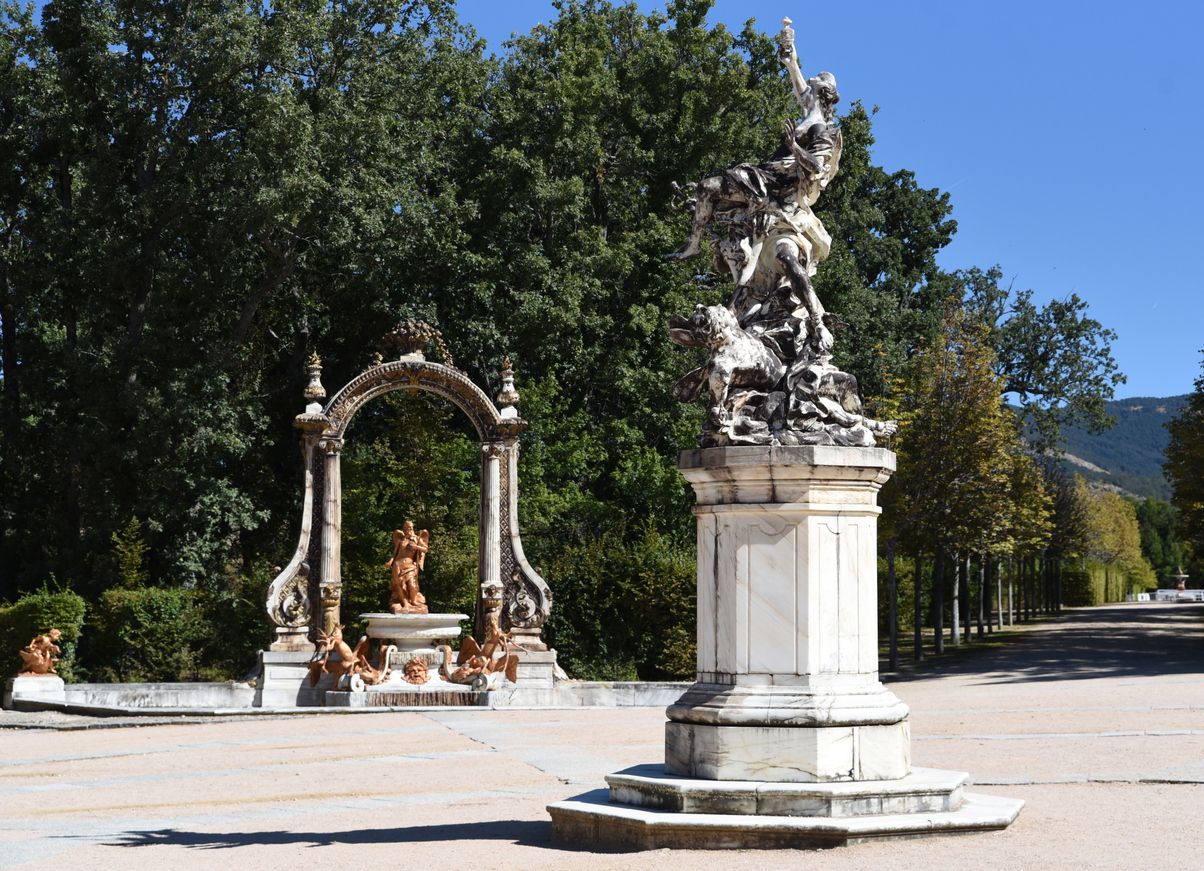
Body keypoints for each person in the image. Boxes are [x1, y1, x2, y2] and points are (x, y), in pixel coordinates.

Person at [385, 520, 429, 614]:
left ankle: (413, 600)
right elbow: (395, 554)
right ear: (404, 529)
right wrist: (390, 562)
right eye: (408, 527)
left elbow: (425, 549)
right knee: (400, 585)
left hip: (410, 565)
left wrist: (416, 547)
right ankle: (405, 603)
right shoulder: (401, 540)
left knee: (412, 585)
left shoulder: (417, 539)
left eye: (411, 527)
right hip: (398, 565)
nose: (410, 529)